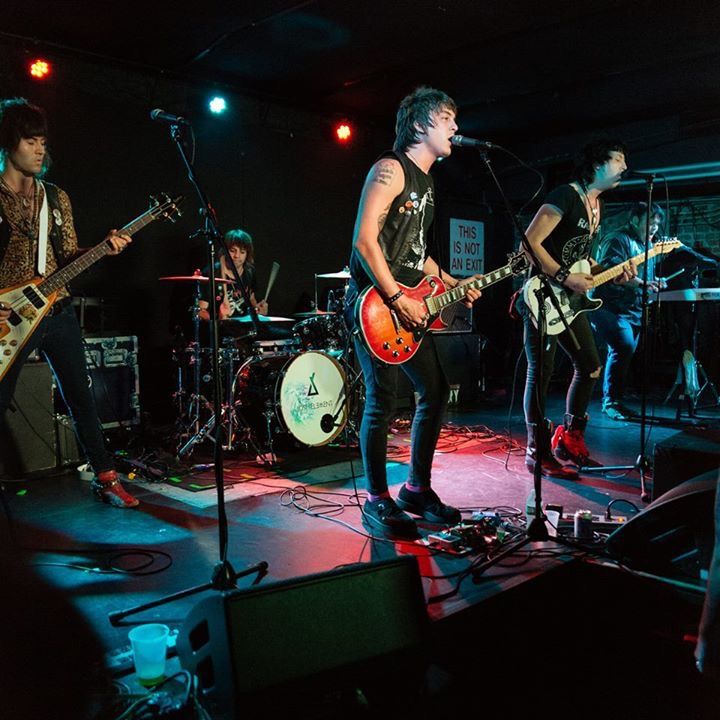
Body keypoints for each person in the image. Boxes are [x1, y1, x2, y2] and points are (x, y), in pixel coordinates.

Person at [344, 86, 481, 538]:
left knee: (435, 391)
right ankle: (377, 499)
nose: (455, 127)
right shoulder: (389, 168)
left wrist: (453, 284)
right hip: (375, 303)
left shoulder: (428, 182)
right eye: (447, 118)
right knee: (382, 400)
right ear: (421, 124)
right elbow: (365, 240)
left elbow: (417, 254)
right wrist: (397, 298)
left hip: (407, 303)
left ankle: (417, 489)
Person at [0, 97, 138, 508]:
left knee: (81, 397)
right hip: (9, 315)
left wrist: (103, 248)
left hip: (57, 310)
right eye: (30, 141)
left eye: (43, 142)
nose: (39, 150)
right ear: (7, 143)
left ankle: (106, 478)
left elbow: (68, 256)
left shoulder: (55, 198)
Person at [517, 138, 636, 478]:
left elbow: (583, 257)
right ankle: (536, 450)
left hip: (568, 301)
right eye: (618, 159)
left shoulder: (597, 206)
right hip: (542, 295)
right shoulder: (565, 196)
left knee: (590, 366)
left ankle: (569, 440)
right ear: (597, 165)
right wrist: (564, 277)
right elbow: (529, 243)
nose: (625, 167)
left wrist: (612, 273)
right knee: (540, 372)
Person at [590, 202, 668, 420]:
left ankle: (614, 399)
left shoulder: (647, 246)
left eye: (656, 224)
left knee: (624, 352)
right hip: (607, 306)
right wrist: (643, 284)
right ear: (634, 220)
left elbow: (643, 277)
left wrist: (655, 281)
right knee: (622, 347)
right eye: (649, 222)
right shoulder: (617, 239)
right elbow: (611, 270)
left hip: (632, 309)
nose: (654, 227)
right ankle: (610, 402)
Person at [197, 229, 268, 323]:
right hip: (221, 328)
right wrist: (219, 318)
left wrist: (258, 310)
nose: (237, 256)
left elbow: (251, 299)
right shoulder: (211, 273)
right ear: (225, 251)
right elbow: (201, 312)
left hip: (244, 326)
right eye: (232, 251)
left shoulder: (249, 271)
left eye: (242, 252)